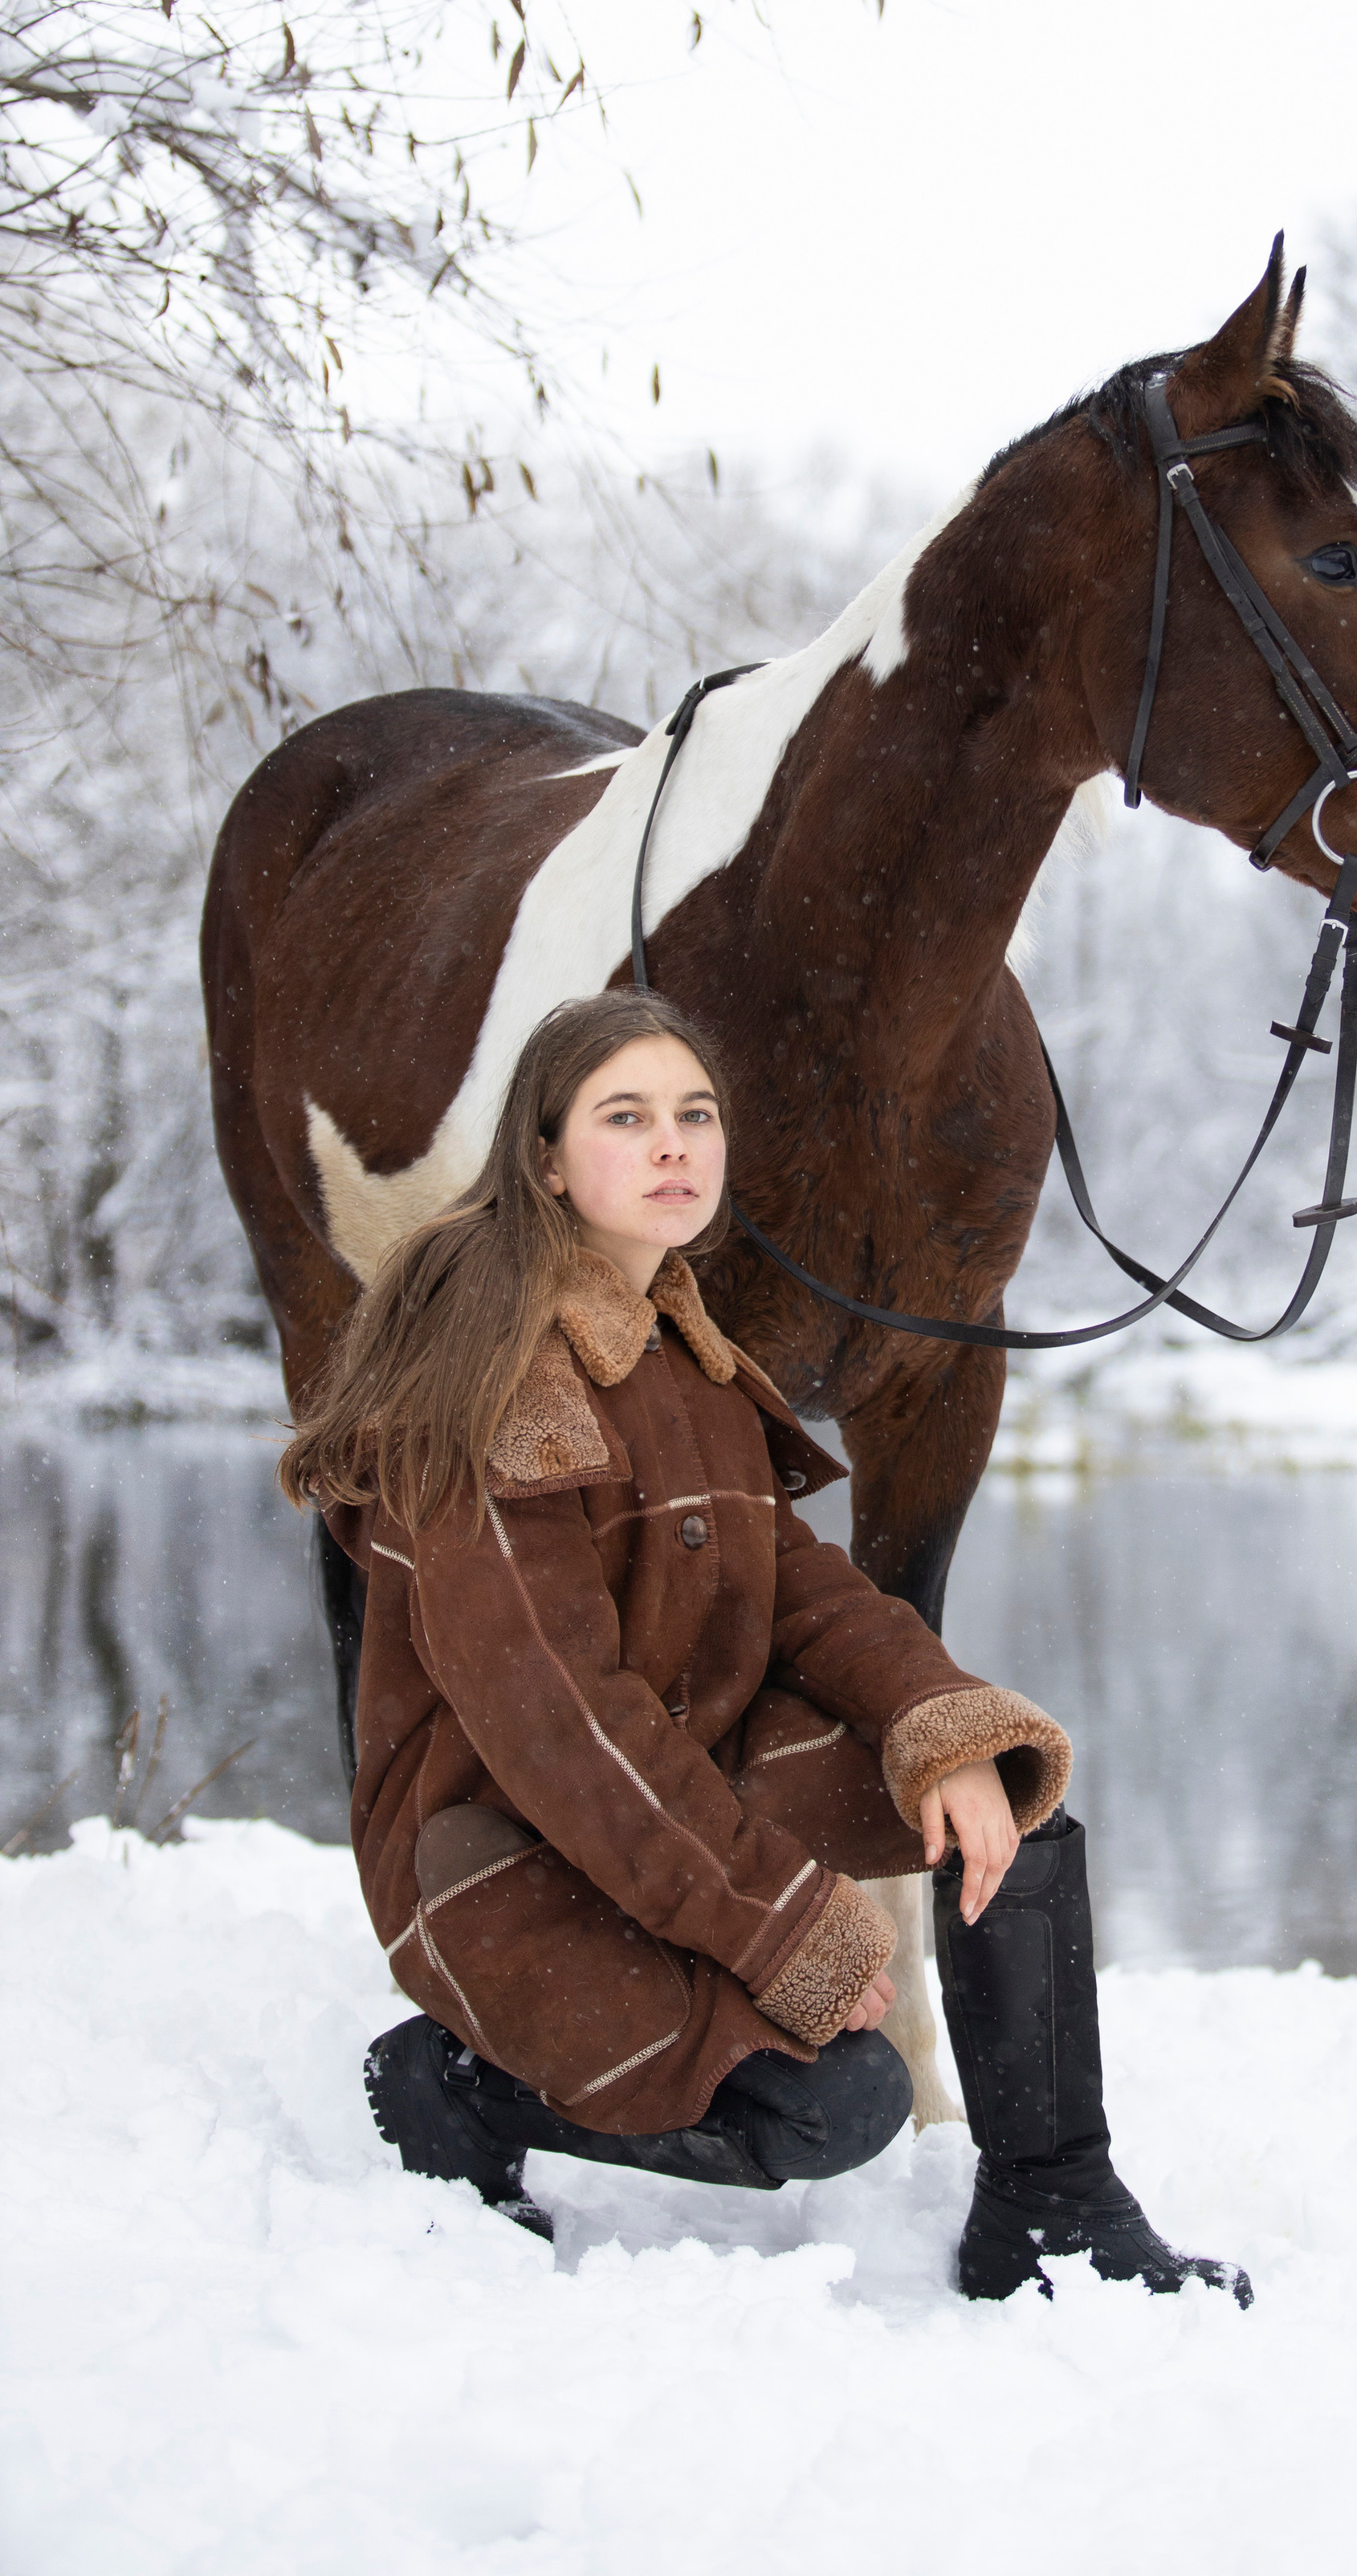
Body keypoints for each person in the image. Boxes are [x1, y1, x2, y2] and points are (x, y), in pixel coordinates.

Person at [283, 987, 1249, 2305]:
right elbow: (569, 1738)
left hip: (679, 1778)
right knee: (838, 2106)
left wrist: (944, 1728)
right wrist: (788, 1930)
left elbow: (810, 1599)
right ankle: (448, 2085)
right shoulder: (501, 1380)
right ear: (549, 1162)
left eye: (697, 1114)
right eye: (628, 1118)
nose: (676, 1143)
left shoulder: (687, 1348)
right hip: (501, 1846)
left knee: (1004, 1816)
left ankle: (1052, 2206)